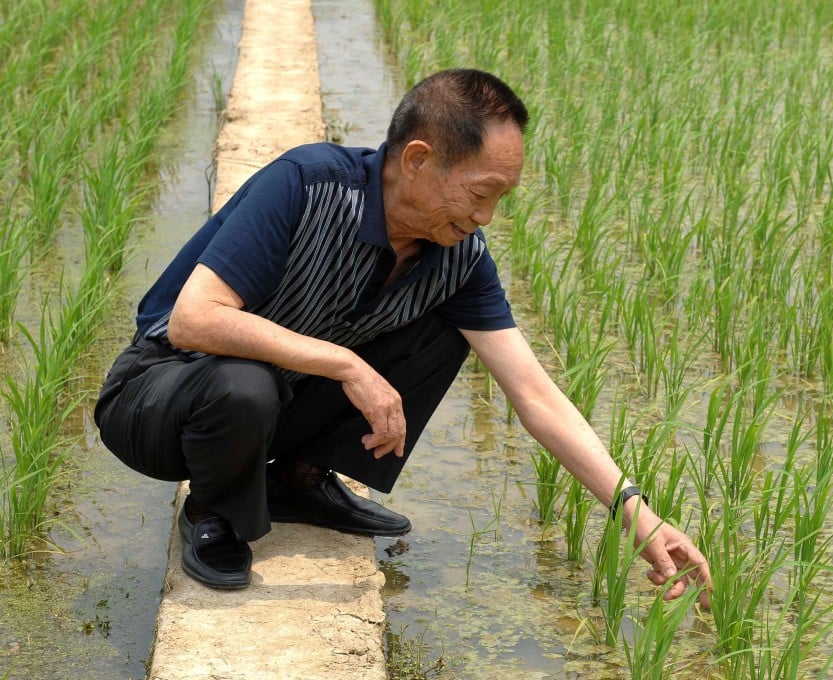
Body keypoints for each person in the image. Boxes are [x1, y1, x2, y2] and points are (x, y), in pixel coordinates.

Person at [93, 68, 711, 604]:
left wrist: (640, 517)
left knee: (445, 332)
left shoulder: (458, 257)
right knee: (242, 383)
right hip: (160, 397)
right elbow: (193, 319)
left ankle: (296, 479)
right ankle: (214, 510)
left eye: (500, 199)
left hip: (275, 399)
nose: (485, 217)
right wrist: (347, 365)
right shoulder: (307, 184)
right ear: (416, 160)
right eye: (479, 193)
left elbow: (536, 395)